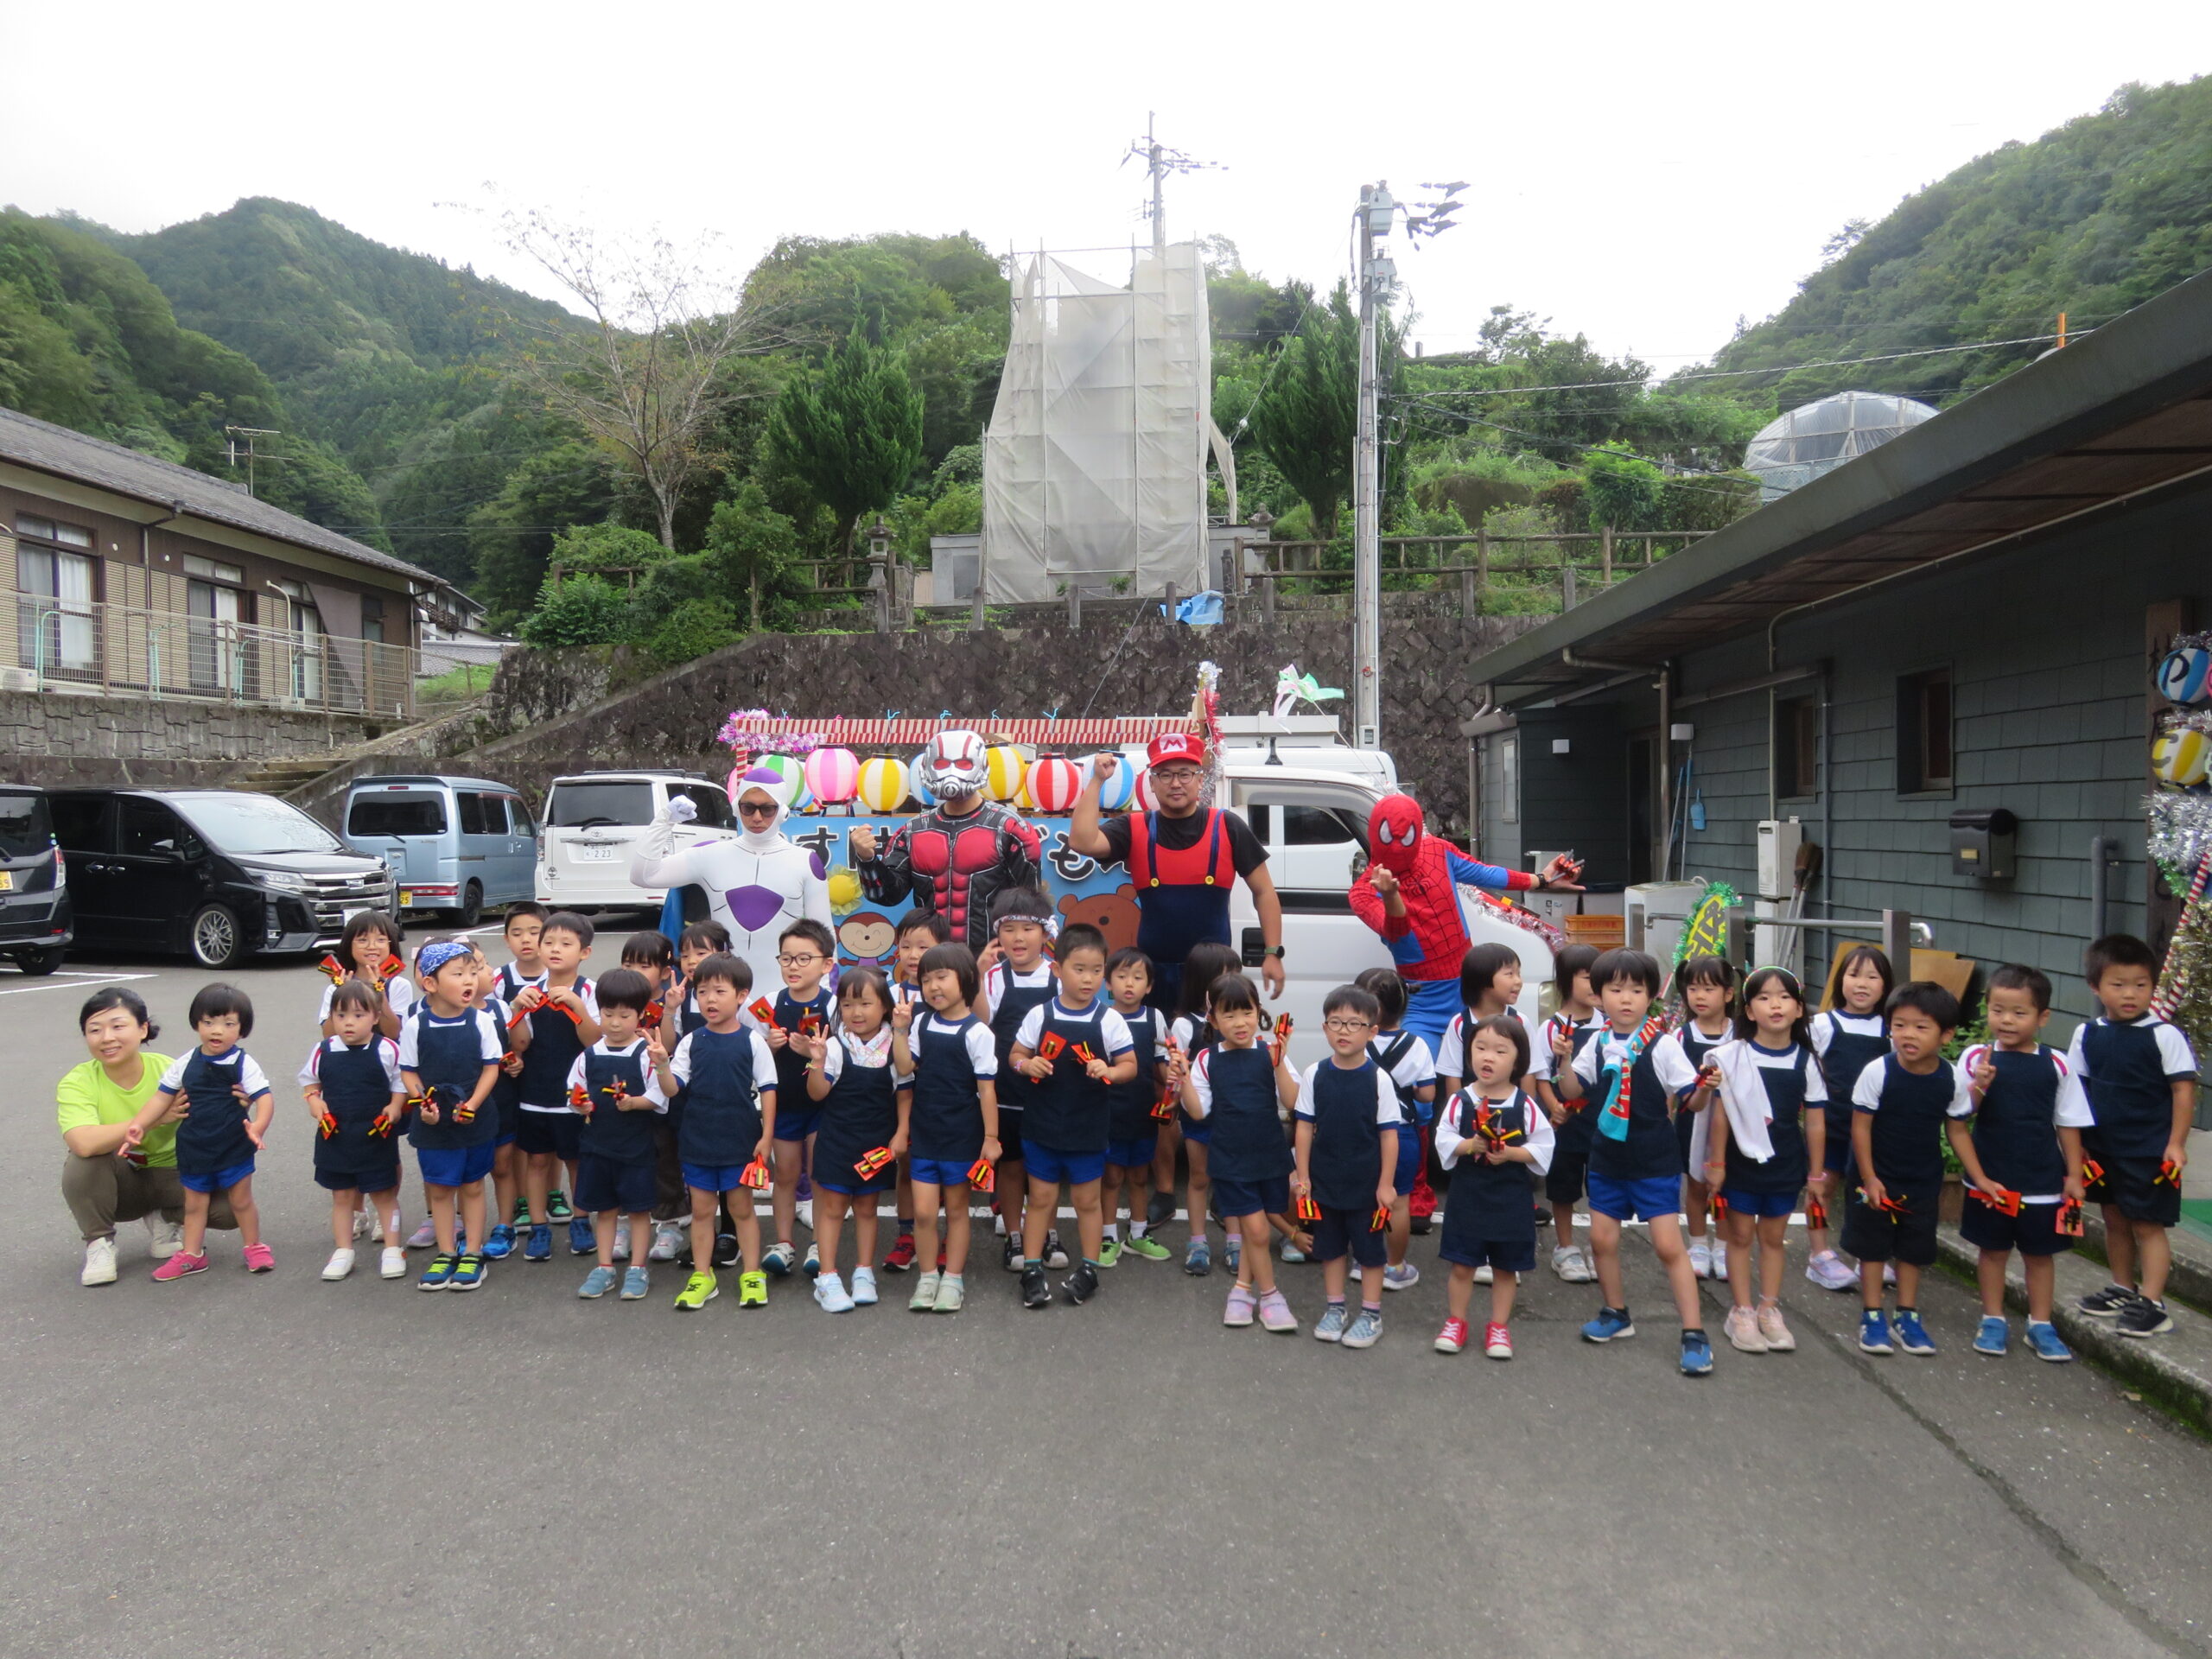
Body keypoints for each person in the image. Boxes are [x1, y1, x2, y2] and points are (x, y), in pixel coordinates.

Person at [1555, 949, 1714, 1376]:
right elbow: (1572, 1090)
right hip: (1606, 1157)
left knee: (1668, 1246)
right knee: (1603, 1242)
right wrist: (1564, 1058)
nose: (1626, 999)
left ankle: (1695, 1333)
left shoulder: (1663, 1045)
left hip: (1654, 1161)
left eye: (1637, 990)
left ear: (1651, 998)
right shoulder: (1597, 1042)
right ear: (1600, 996)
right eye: (1616, 989)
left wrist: (1704, 1086)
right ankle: (1616, 1313)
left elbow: (1692, 1101)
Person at [1069, 733, 1283, 1012]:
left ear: (1199, 780)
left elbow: (1264, 891)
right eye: (1165, 775)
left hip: (1215, 974)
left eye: (1185, 774)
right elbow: (1081, 841)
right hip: (1152, 978)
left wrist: (1273, 953)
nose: (1176, 783)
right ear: (1152, 783)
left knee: (1211, 1051)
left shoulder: (1227, 826)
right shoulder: (1134, 828)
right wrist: (1097, 780)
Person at [1347, 791, 1580, 1046]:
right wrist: (1391, 896)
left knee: (1485, 1069)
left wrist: (1543, 879)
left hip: (1470, 993)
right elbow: (1397, 933)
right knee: (1421, 1073)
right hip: (1422, 1001)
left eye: (1407, 837)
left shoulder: (1437, 851)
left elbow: (1486, 874)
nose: (1397, 846)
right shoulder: (1364, 892)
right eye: (1388, 836)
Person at [1950, 964, 2088, 1361]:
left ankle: (2040, 1324)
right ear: (1987, 1010)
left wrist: (2074, 1176)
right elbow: (1960, 1115)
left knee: (2039, 1255)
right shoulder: (1976, 1057)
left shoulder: (2058, 1063)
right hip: (1989, 1178)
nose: (2006, 1020)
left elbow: (2069, 1122)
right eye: (1997, 1010)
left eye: (2019, 1012)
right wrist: (1980, 1085)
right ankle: (1992, 1318)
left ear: (2043, 1017)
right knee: (1992, 1250)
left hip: (2043, 1179)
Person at [1687, 967, 1826, 1355]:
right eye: (1764, 998)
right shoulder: (1733, 1057)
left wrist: (1817, 1172)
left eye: (1784, 997)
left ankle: (1769, 1308)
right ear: (1748, 1011)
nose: (1775, 1005)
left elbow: (1814, 1121)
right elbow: (1720, 1114)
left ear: (1799, 1010)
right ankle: (1742, 1310)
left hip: (1786, 1162)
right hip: (1738, 1164)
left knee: (1773, 1239)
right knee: (1739, 1236)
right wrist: (1716, 1163)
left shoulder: (1807, 1060)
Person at [2069, 934, 2199, 1338]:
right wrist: (2079, 1147)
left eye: (2140, 985)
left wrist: (2176, 1144)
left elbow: (2183, 1090)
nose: (2130, 994)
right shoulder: (2087, 1034)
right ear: (2095, 986)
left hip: (2149, 1151)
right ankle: (2123, 1289)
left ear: (2152, 986)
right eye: (2118, 984)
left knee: (2147, 1223)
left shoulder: (2164, 1035)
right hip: (2103, 1148)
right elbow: (2078, 1092)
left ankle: (2154, 1302)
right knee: (2113, 1218)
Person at [60, 988, 235, 1286]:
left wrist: (237, 1104)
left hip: (175, 1173)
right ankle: (99, 1243)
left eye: (118, 1026)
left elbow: (214, 1121)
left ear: (142, 1029)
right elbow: (82, 1141)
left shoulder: (173, 1070)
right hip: (120, 1179)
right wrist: (151, 1120)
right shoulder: (78, 1081)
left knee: (232, 1210)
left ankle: (165, 1218)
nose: (107, 1038)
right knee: (83, 1161)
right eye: (95, 1030)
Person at [1006, 922, 1137, 1307]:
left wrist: (1109, 1071)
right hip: (1042, 1125)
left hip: (1088, 1128)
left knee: (1087, 1202)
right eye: (1079, 969)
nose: (1089, 978)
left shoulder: (1109, 1019)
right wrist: (1025, 1067)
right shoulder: (1039, 1014)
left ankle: (1089, 1270)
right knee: (1041, 1199)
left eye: (1097, 971)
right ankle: (1032, 1270)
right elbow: (1015, 1054)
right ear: (1057, 969)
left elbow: (1130, 1065)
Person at [1845, 981, 1970, 1356]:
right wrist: (1870, 1178)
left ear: (1946, 1034)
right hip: (1875, 1176)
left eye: (1920, 1027)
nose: (1907, 1035)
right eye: (1899, 1025)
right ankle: (1871, 1315)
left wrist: (1977, 1176)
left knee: (1914, 1247)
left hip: (1923, 1177)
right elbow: (1860, 1127)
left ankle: (1907, 1315)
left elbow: (1958, 1130)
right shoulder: (1877, 1072)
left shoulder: (1952, 1078)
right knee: (1872, 1247)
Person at [120, 984, 275, 1282]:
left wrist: (258, 1125)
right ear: (196, 1023)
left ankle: (254, 1246)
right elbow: (160, 1098)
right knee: (194, 1204)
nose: (217, 1030)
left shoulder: (244, 1063)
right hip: (194, 1147)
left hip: (234, 1144)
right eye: (208, 1022)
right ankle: (192, 1255)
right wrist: (139, 1124)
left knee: (241, 1200)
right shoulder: (185, 1062)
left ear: (242, 1030)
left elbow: (265, 1098)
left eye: (228, 1024)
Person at [629, 767, 831, 979]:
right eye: (748, 807)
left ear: (782, 811)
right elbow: (643, 876)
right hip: (723, 991)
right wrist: (665, 820)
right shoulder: (711, 854)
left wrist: (827, 989)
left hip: (784, 992)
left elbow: (824, 936)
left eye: (767, 809)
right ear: (736, 808)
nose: (757, 817)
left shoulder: (805, 861)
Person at [851, 729, 1044, 952]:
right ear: (928, 767)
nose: (952, 772)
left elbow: (1030, 908)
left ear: (981, 766)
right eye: (941, 764)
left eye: (963, 764)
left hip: (990, 964)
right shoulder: (912, 831)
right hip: (932, 965)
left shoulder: (1011, 830)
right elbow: (886, 895)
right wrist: (867, 860)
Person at [1182, 973, 1300, 1333]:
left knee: (1255, 1231)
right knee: (1258, 1231)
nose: (1239, 1023)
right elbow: (1198, 1112)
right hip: (1231, 1159)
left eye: (1246, 1012)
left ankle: (1240, 1291)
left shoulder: (1269, 1052)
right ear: (1213, 1020)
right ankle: (1271, 1297)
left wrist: (1280, 1060)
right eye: (1228, 1015)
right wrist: (1183, 1076)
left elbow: (1293, 1102)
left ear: (1259, 1012)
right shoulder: (1206, 1058)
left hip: (1269, 1155)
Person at [1433, 1016, 1554, 1360]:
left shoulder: (1525, 1104)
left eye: (1500, 1051)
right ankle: (1456, 1321)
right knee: (1461, 1264)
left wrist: (1513, 1154)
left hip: (1511, 1198)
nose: (1488, 1057)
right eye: (1480, 1048)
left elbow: (1545, 1146)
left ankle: (1499, 1326)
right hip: (1468, 1195)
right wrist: (1468, 1146)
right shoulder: (1460, 1101)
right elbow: (1443, 1138)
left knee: (1505, 1267)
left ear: (1519, 1061)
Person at [1289, 984, 1402, 1350]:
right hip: (1324, 1181)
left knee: (1370, 1251)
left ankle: (1371, 1313)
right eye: (1335, 1022)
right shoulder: (1314, 1074)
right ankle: (1335, 1307)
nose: (1343, 1031)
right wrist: (1303, 1176)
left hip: (1367, 1184)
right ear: (1324, 1028)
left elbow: (1389, 1135)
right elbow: (1304, 1126)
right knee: (1331, 1247)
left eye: (1354, 1024)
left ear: (1372, 1032)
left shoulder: (1379, 1079)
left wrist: (1386, 1185)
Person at [665, 952, 780, 1312]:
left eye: (719, 991)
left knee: (741, 1208)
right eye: (702, 992)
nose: (709, 1000)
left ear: (741, 995)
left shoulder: (753, 1041)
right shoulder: (690, 1041)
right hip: (697, 1138)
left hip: (740, 1139)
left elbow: (769, 1088)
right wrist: (658, 1065)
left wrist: (766, 1136)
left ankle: (751, 1272)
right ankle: (703, 1275)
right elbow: (673, 1089)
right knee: (701, 1210)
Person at [892, 941, 1001, 1313]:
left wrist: (990, 1138)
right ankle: (927, 1277)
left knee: (956, 1210)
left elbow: (987, 1091)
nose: (933, 987)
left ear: (966, 980)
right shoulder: (920, 1022)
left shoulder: (978, 1033)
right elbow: (906, 1069)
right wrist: (900, 1031)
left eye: (942, 977)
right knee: (923, 1212)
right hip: (925, 1133)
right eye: (926, 980)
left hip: (962, 1135)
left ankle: (952, 1278)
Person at [798, 965, 911, 1313]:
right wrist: (816, 1063)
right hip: (836, 1140)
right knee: (831, 1209)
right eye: (847, 1005)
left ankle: (864, 1273)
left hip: (877, 1142)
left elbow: (905, 1092)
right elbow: (817, 1095)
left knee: (867, 1208)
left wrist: (901, 1132)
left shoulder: (895, 1045)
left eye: (864, 1004)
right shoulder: (833, 1045)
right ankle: (828, 1278)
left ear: (885, 1008)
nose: (855, 1013)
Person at [398, 938, 506, 1292]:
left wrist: (473, 1104)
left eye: (472, 973)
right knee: (441, 1188)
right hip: (432, 1120)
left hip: (475, 1115)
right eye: (458, 974)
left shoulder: (481, 1021)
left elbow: (492, 1068)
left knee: (473, 1186)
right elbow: (409, 1071)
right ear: (430, 984)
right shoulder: (415, 1024)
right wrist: (422, 1104)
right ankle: (446, 1252)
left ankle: (472, 1253)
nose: (469, 981)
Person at [567, 968, 670, 1303]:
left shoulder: (645, 1054)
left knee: (639, 1211)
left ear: (640, 1015)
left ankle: (638, 1266)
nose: (614, 1022)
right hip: (598, 1146)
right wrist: (579, 1105)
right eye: (608, 1014)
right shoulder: (589, 1054)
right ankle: (605, 1266)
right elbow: (574, 1091)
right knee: (605, 1210)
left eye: (624, 1015)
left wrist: (634, 1103)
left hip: (636, 1147)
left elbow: (659, 1097)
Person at [975, 887, 1061, 1272]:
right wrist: (976, 975)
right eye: (1009, 929)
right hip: (1006, 1089)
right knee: (1010, 1166)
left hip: (1053, 1088)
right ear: (998, 935)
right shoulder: (993, 976)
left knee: (1046, 1165)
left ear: (1045, 934)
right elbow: (980, 1023)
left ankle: (1048, 1232)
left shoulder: (1059, 975)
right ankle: (1013, 1235)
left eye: (1028, 928)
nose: (1019, 938)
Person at [299, 979, 407, 1282]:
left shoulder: (388, 1049)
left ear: (375, 1017)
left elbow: (401, 1082)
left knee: (384, 1194)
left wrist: (396, 1106)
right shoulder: (323, 1050)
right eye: (341, 1015)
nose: (349, 1023)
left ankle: (393, 1248)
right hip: (336, 1136)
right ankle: (343, 1250)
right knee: (342, 1196)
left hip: (375, 1135)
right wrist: (313, 1100)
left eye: (359, 1015)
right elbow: (309, 1082)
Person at [512, 911, 603, 1262]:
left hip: (575, 1096)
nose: (554, 949)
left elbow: (594, 1041)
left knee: (576, 1160)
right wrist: (518, 1010)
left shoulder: (590, 991)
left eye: (566, 943)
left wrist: (577, 1007)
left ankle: (581, 1220)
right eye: (548, 941)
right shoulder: (529, 992)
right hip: (535, 1093)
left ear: (584, 952)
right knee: (537, 1160)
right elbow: (519, 1044)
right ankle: (538, 1228)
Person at [1807, 944, 1894, 1291]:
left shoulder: (1891, 1029)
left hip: (1872, 1129)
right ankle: (1819, 1255)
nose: (1862, 984)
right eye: (1854, 974)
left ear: (1885, 985)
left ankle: (1867, 1255)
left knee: (1866, 1191)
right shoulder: (1823, 1024)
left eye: (1872, 977)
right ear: (1839, 980)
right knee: (1822, 1187)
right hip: (1830, 1123)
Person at [761, 918, 838, 1278]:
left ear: (826, 964)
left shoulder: (835, 1004)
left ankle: (820, 1245)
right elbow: (754, 1058)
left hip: (824, 1105)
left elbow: (843, 1054)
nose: (793, 966)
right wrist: (769, 1046)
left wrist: (815, 1052)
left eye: (804, 959)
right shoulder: (771, 1005)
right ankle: (784, 1242)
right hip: (785, 1103)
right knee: (786, 1173)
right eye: (786, 958)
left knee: (819, 1174)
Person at [1162, 939, 1244, 1275]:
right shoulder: (1185, 1025)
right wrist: (1171, 1096)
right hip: (1199, 1117)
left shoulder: (1239, 1022)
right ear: (1204, 981)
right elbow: (1175, 1073)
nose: (1234, 982)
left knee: (1233, 1180)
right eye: (1227, 975)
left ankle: (1235, 1243)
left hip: (1236, 1117)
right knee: (1199, 1178)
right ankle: (1197, 1243)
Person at [1652, 957, 1737, 1282]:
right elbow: (1669, 1084)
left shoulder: (1739, 1034)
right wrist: (1666, 1111)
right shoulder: (1680, 1036)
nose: (1700, 996)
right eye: (1692, 988)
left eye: (1709, 989)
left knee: (1726, 1184)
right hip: (1692, 1118)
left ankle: (1724, 1245)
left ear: (1728, 994)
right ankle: (1699, 1244)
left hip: (1731, 1123)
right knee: (1696, 1183)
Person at [1353, 966, 1435, 1288]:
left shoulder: (1356, 1043)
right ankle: (1394, 1266)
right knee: (1398, 1201)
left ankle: (1363, 1261)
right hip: (1401, 1132)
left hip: (1362, 1130)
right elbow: (1427, 1093)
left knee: (1363, 1197)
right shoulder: (1416, 1045)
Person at [1526, 944, 1603, 1285]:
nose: (1595, 986)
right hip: (1565, 1124)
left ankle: (1601, 1248)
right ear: (1566, 983)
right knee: (1563, 1187)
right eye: (1588, 978)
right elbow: (1541, 1075)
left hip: (1602, 1122)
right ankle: (1566, 1247)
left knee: (1601, 1186)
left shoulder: (1609, 1024)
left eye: (1600, 979)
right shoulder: (1550, 1028)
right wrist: (1552, 1106)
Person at [880, 909, 950, 1274]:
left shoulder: (947, 996)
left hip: (944, 1097)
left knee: (951, 1169)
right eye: (905, 945)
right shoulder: (888, 994)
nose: (912, 954)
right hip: (899, 1092)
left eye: (923, 946)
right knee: (906, 1164)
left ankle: (950, 1237)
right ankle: (907, 1235)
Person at [1100, 947, 1173, 1264]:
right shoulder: (1101, 1016)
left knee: (1140, 1176)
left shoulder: (1155, 1017)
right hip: (1109, 1111)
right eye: (1121, 976)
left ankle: (1138, 1234)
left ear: (1150, 985)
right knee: (1112, 1177)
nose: (1129, 984)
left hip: (1144, 1110)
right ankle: (1107, 1238)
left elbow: (1160, 1064)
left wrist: (1175, 1078)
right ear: (1108, 983)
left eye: (1138, 977)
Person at [486, 904, 550, 1248]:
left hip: (549, 1066)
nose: (527, 940)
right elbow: (491, 1025)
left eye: (535, 932)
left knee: (550, 1140)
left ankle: (554, 1194)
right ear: (506, 938)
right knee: (521, 1138)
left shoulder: (558, 972)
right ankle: (523, 1200)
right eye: (517, 933)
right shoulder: (498, 979)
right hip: (511, 1069)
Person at [317, 908, 413, 1041]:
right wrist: (341, 994)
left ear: (391, 945)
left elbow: (394, 1034)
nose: (372, 946)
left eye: (381, 940)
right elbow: (329, 1036)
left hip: (386, 1057)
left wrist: (380, 992)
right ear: (349, 946)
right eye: (362, 940)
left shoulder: (398, 985)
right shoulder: (335, 988)